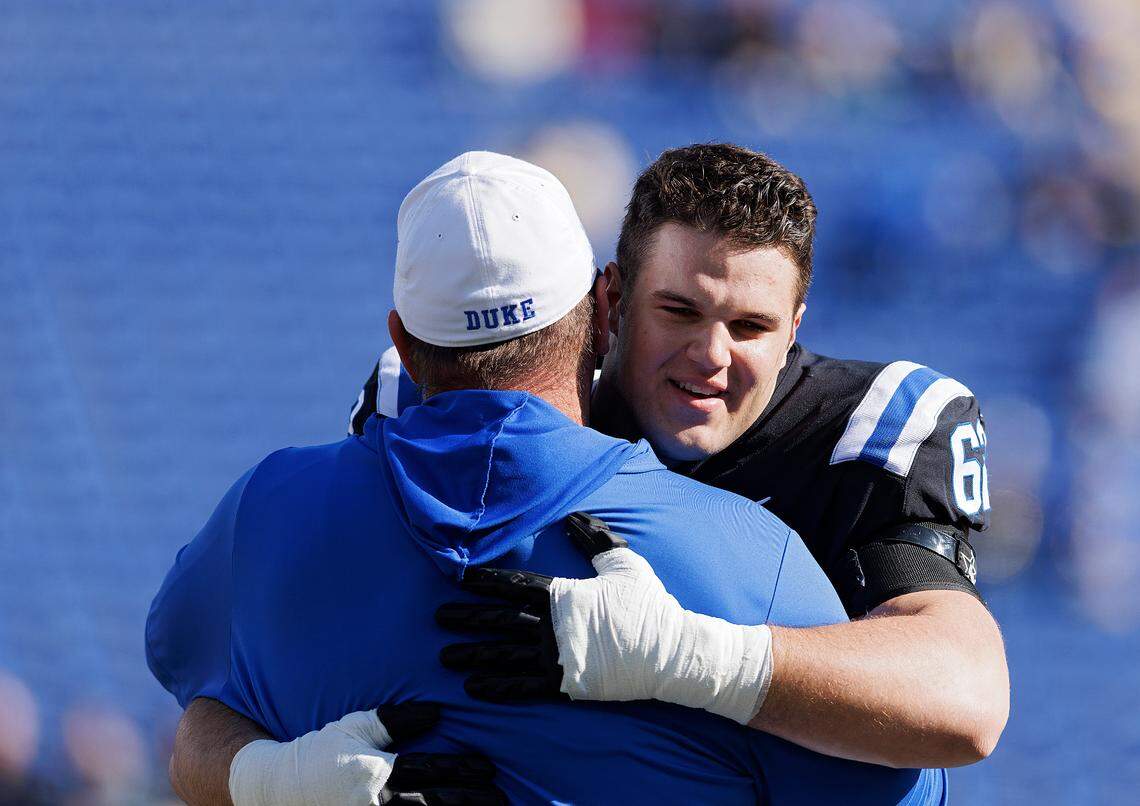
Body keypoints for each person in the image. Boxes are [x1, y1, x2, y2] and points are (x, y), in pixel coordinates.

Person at [164, 144, 1008, 802]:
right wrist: (273, 783)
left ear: (795, 330)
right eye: (678, 311)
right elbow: (212, 708)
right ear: (609, 303)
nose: (711, 356)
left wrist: (688, 655)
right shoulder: (436, 409)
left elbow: (964, 702)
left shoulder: (856, 435)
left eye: (750, 325)